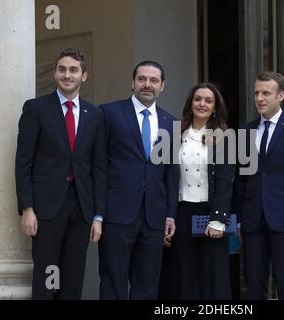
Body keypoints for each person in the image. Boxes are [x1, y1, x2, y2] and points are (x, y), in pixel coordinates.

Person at [15, 48, 106, 299]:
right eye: (62, 69)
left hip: (82, 209)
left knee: (73, 280)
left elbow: (98, 168)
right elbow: (23, 162)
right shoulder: (36, 109)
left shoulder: (95, 115)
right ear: (55, 73)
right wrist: (27, 208)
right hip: (45, 209)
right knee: (46, 280)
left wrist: (98, 215)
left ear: (84, 76)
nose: (67, 75)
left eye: (73, 70)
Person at [98, 60, 178, 300]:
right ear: (132, 82)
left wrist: (170, 213)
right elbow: (99, 166)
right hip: (116, 213)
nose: (147, 84)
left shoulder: (170, 122)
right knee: (113, 282)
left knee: (147, 285)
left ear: (162, 86)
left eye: (154, 80)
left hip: (153, 217)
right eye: (142, 79)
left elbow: (171, 173)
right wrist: (98, 214)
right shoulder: (109, 113)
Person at [234, 71, 284, 300]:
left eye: (266, 93)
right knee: (253, 281)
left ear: (281, 96)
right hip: (252, 219)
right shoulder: (245, 131)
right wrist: (240, 218)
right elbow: (241, 179)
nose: (260, 98)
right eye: (256, 93)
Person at [169, 83, 234, 299]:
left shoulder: (225, 136)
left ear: (215, 107)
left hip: (211, 214)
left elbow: (225, 181)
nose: (202, 104)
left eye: (208, 100)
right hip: (182, 212)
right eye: (197, 99)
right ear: (190, 103)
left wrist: (218, 219)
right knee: (185, 276)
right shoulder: (176, 133)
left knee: (214, 278)